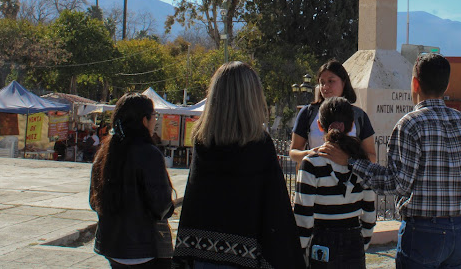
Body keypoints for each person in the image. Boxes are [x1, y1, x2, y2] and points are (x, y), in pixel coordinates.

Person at [320, 53, 461, 269]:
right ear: (445, 86)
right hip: (458, 230)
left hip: (422, 232)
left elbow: (397, 183)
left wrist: (352, 162)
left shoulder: (410, 124)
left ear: (415, 83)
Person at [172, 62, 305, 269]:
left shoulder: (202, 142)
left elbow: (194, 201)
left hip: (201, 256)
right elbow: (275, 210)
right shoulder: (259, 145)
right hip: (246, 258)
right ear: (252, 98)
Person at [89, 93, 175, 268]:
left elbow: (94, 201)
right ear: (144, 120)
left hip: (112, 247)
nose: (154, 122)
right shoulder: (149, 154)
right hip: (144, 248)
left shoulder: (103, 154)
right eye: (154, 117)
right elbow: (162, 206)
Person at [293, 97, 376, 268]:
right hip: (354, 240)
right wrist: (363, 241)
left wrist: (299, 250)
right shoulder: (362, 164)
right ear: (352, 126)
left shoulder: (311, 163)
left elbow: (303, 216)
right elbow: (369, 211)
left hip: (321, 240)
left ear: (320, 125)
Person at [290, 59, 377, 165]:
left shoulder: (359, 115)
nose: (325, 87)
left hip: (349, 180)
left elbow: (372, 156)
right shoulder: (308, 113)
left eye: (331, 81)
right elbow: (293, 152)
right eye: (322, 83)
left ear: (343, 82)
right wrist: (311, 154)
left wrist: (347, 159)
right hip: (316, 178)